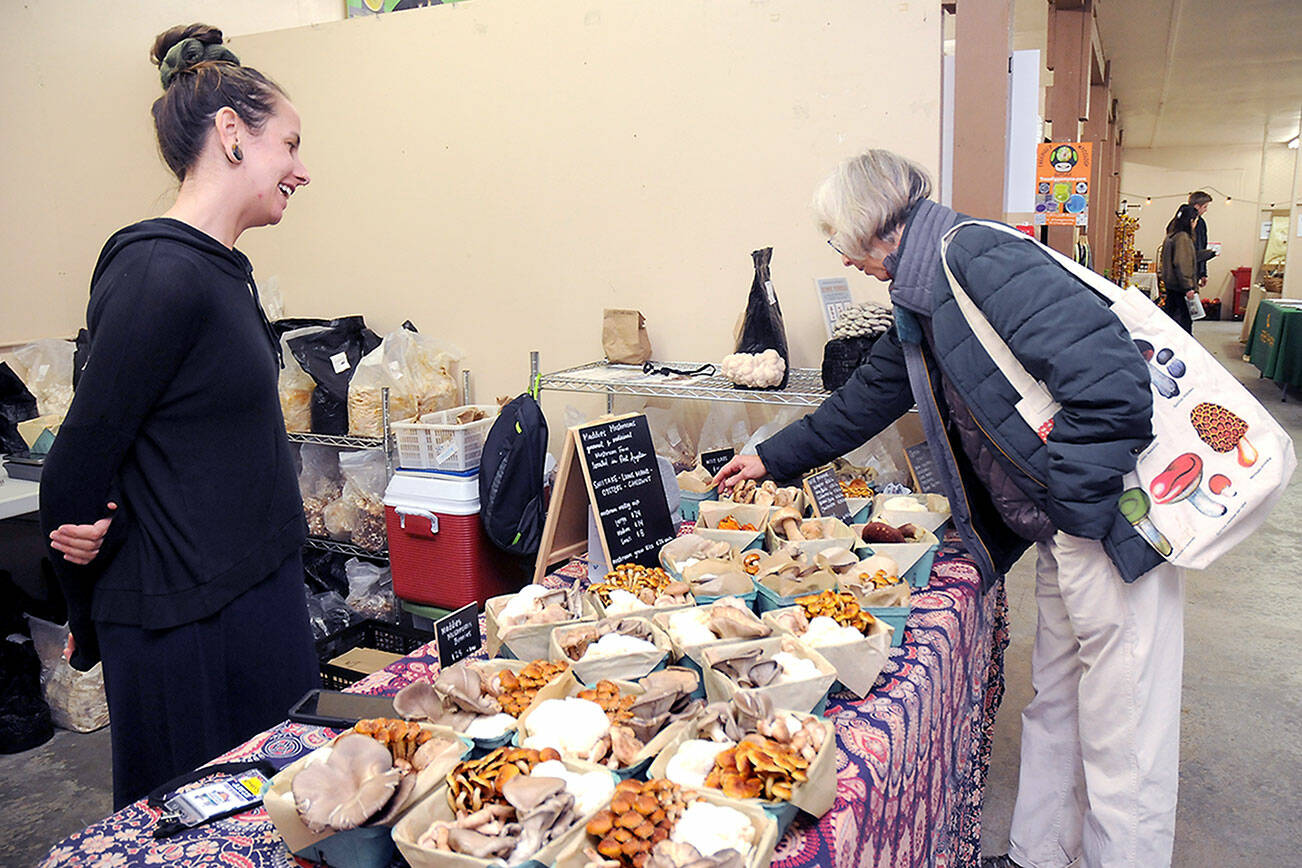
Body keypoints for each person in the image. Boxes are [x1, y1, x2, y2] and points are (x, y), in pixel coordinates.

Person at [713, 150, 1184, 868]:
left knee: (1124, 735)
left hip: (1111, 528)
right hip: (1063, 527)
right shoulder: (920, 287)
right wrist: (772, 459)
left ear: (877, 229)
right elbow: (872, 395)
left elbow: (1113, 387)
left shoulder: (981, 257)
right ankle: (1038, 854)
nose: (843, 258)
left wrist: (1077, 504)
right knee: (1055, 703)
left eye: (839, 240)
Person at [39, 23, 319, 809]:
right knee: (193, 834)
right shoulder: (157, 271)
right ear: (232, 135)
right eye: (290, 145)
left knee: (283, 817)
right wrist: (84, 592)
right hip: (181, 626)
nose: (302, 170)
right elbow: (77, 465)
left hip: (252, 591)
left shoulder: (226, 271)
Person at [1160, 204, 1201, 333]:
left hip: (1171, 285)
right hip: (1180, 287)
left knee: (1171, 318)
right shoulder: (1183, 238)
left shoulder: (1171, 235)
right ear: (1190, 221)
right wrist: (1189, 287)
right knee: (1184, 322)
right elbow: (1182, 264)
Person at [1187, 190, 1216, 287]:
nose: (1206, 210)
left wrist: (1203, 272)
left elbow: (1202, 247)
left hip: (1196, 269)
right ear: (1196, 206)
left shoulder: (1201, 223)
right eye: (1205, 207)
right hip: (1185, 270)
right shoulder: (1183, 223)